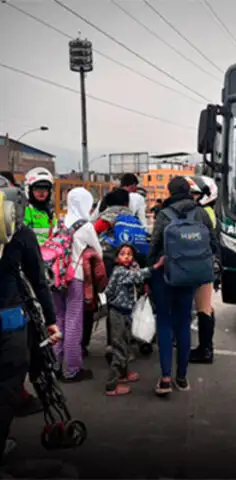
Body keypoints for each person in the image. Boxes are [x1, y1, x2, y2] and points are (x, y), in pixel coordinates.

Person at [0, 176, 60, 463]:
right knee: (7, 388)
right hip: (10, 322)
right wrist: (51, 320)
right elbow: (38, 279)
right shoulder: (21, 232)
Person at [147, 177, 217, 397]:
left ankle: (165, 378)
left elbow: (154, 246)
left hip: (165, 275)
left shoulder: (163, 215)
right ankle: (182, 378)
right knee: (184, 322)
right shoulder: (201, 213)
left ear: (169, 192)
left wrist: (148, 274)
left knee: (165, 323)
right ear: (189, 191)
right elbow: (212, 243)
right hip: (190, 276)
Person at [53, 187, 103, 382]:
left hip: (55, 277)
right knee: (74, 321)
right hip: (75, 277)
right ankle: (72, 369)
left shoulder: (58, 221)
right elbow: (97, 252)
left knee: (58, 319)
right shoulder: (85, 226)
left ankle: (55, 365)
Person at [103, 244, 164, 396]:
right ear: (117, 258)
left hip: (124, 313)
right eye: (123, 253)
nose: (127, 256)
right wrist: (156, 266)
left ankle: (123, 375)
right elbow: (137, 276)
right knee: (119, 349)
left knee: (125, 345)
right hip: (117, 313)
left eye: (129, 254)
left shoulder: (127, 270)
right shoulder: (120, 271)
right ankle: (111, 386)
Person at [189, 176, 218, 364]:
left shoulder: (204, 212)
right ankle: (206, 347)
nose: (192, 197)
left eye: (196, 194)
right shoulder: (207, 211)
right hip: (207, 264)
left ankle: (205, 349)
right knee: (205, 308)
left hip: (201, 264)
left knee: (204, 309)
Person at [23, 168, 56, 246]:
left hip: (48, 253)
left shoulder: (49, 211)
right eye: (37, 189)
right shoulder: (26, 211)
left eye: (45, 189)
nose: (42, 192)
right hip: (31, 252)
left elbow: (54, 233)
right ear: (29, 190)